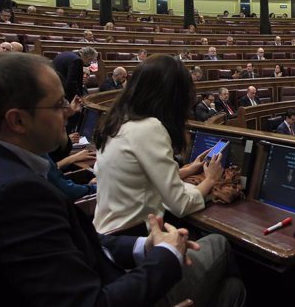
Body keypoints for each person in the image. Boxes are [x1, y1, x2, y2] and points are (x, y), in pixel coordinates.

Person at [0, 53, 244, 307]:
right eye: (58, 104)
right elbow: (88, 305)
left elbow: (81, 242)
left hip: (113, 243)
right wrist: (168, 254)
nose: (68, 112)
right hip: (118, 273)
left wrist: (144, 246)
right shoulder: (16, 194)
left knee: (230, 291)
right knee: (222, 247)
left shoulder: (116, 120)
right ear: (17, 120)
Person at [92, 55, 226, 233]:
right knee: (219, 243)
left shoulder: (117, 122)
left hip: (106, 237)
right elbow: (181, 204)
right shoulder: (149, 127)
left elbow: (138, 179)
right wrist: (211, 179)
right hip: (132, 243)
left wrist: (186, 170)